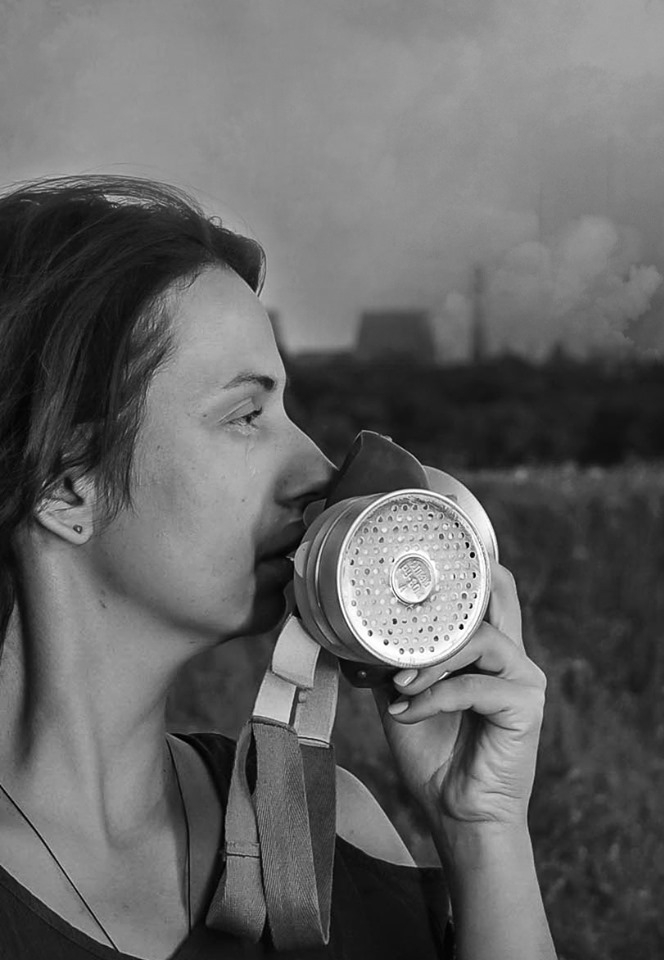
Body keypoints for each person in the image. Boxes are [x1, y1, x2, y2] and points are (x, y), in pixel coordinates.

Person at [0, 175, 556, 960]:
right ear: (65, 488)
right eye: (245, 415)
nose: (318, 470)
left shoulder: (331, 838)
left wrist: (482, 830)